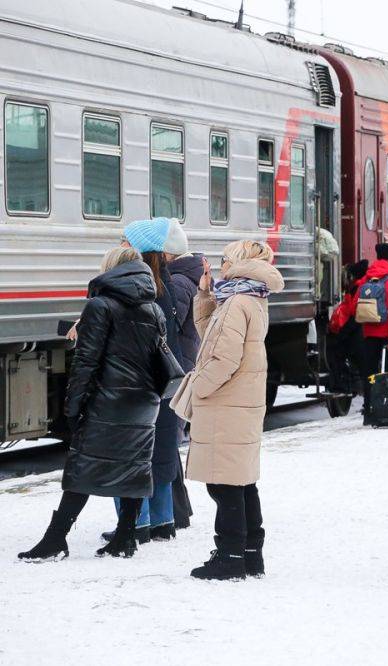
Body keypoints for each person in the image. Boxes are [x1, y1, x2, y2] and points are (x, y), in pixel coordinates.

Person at [18, 248, 164, 561]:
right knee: (133, 468)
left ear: (111, 269)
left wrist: (72, 407)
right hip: (143, 402)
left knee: (82, 469)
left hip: (108, 401)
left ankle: (56, 539)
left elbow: (86, 361)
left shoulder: (100, 305)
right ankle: (126, 537)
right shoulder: (153, 309)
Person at [187, 240, 285, 580]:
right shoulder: (250, 298)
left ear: (239, 262)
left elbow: (223, 358)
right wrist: (204, 296)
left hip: (226, 403)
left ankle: (229, 557)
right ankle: (249, 554)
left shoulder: (236, 303)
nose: (221, 266)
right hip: (240, 400)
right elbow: (211, 337)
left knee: (224, 483)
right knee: (242, 482)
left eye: (225, 260)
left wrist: (198, 389)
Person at [111, 217, 183, 543]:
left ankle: (137, 523)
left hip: (140, 383)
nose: (121, 246)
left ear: (138, 249)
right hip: (165, 380)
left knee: (133, 451)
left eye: (125, 241)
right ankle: (162, 520)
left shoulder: (138, 290)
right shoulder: (165, 286)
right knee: (162, 449)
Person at [164, 219, 200, 530]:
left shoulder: (177, 283)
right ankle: (178, 511)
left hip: (178, 365)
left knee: (168, 441)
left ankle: (176, 512)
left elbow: (169, 328)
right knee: (169, 442)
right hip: (185, 362)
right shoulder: (188, 277)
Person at [358, 243, 388, 410]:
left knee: (369, 370)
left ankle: (369, 404)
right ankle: (386, 405)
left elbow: (358, 302)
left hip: (368, 331)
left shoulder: (366, 278)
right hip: (387, 333)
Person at [328, 260, 370, 395]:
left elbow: (354, 313)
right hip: (363, 331)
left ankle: (343, 386)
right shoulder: (366, 285)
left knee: (335, 351)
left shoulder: (358, 287)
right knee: (362, 365)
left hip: (356, 331)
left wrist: (342, 333)